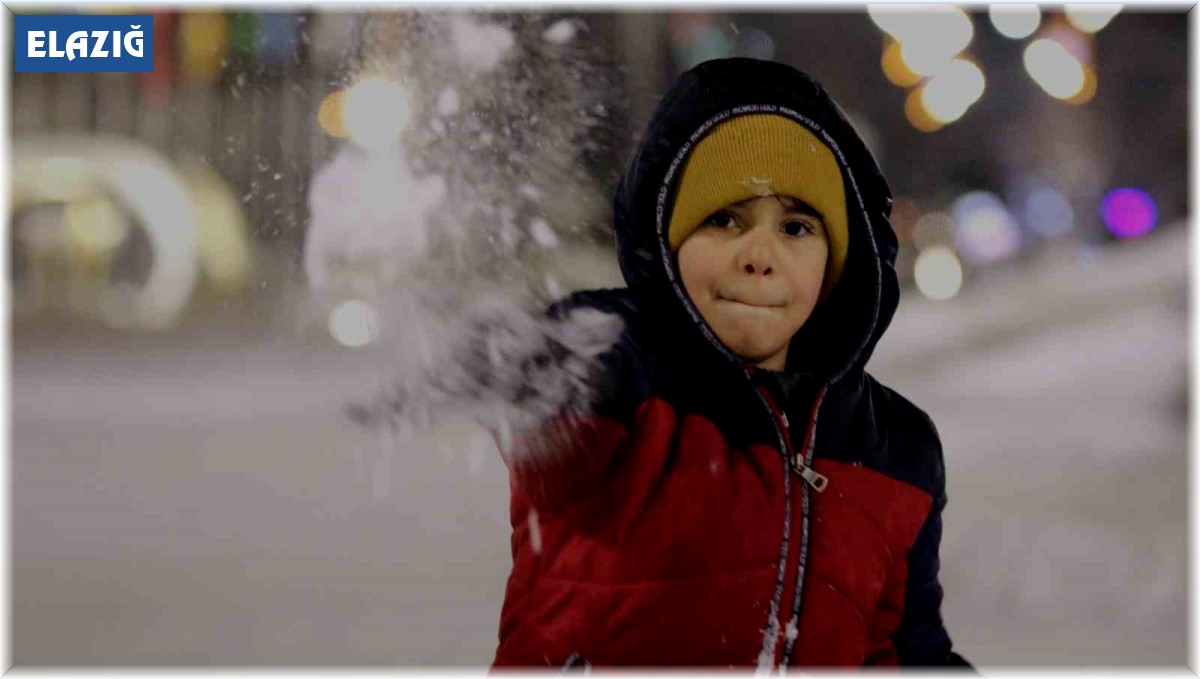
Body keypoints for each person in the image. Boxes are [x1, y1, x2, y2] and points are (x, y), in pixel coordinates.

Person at [353, 57, 970, 669]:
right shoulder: (635, 374)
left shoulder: (897, 448)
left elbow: (905, 650)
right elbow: (575, 388)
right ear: (671, 243)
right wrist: (531, 364)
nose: (760, 255)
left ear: (836, 260)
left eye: (796, 227)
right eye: (724, 219)